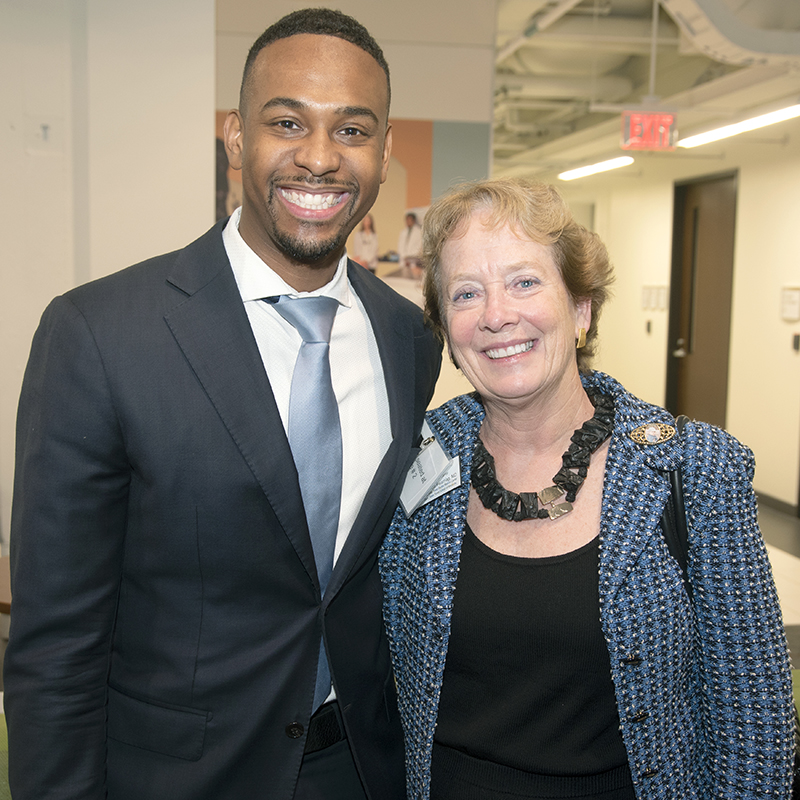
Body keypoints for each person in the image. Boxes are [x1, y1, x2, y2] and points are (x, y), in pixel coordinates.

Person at [5, 8, 441, 800]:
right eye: (287, 122)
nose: (318, 158)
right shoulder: (100, 335)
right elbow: (56, 646)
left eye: (352, 130)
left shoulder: (408, 336)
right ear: (238, 139)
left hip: (361, 769)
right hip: (174, 776)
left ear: (382, 152)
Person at [379, 178, 796, 799]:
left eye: (524, 282)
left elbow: (756, 722)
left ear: (581, 308)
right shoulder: (417, 461)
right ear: (448, 332)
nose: (497, 315)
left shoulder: (695, 470)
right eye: (466, 293)